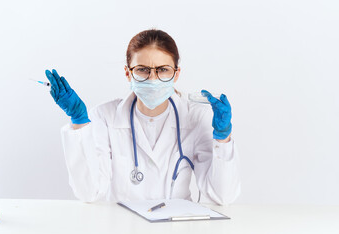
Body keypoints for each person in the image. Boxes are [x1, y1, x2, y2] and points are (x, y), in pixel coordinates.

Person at [45, 29, 240, 205]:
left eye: (163, 70)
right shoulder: (105, 117)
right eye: (142, 70)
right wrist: (79, 122)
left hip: (176, 230)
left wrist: (223, 138)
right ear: (128, 73)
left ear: (176, 73)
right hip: (121, 228)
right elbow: (89, 192)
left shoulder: (195, 118)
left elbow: (222, 196)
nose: (153, 78)